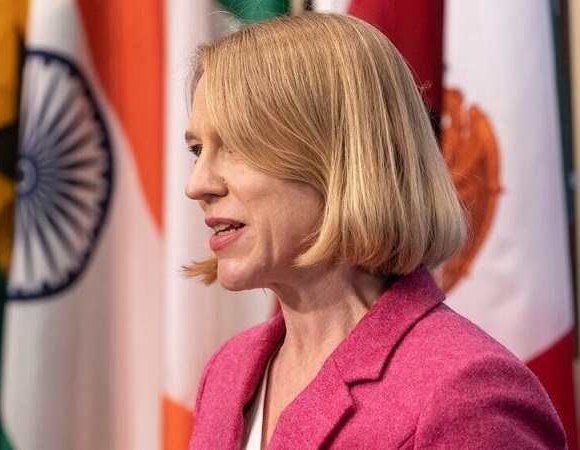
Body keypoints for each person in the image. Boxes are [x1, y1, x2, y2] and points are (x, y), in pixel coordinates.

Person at [182, 12, 566, 449]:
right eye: (197, 150)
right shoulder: (228, 370)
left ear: (341, 157)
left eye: (236, 145)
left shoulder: (467, 396)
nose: (197, 185)